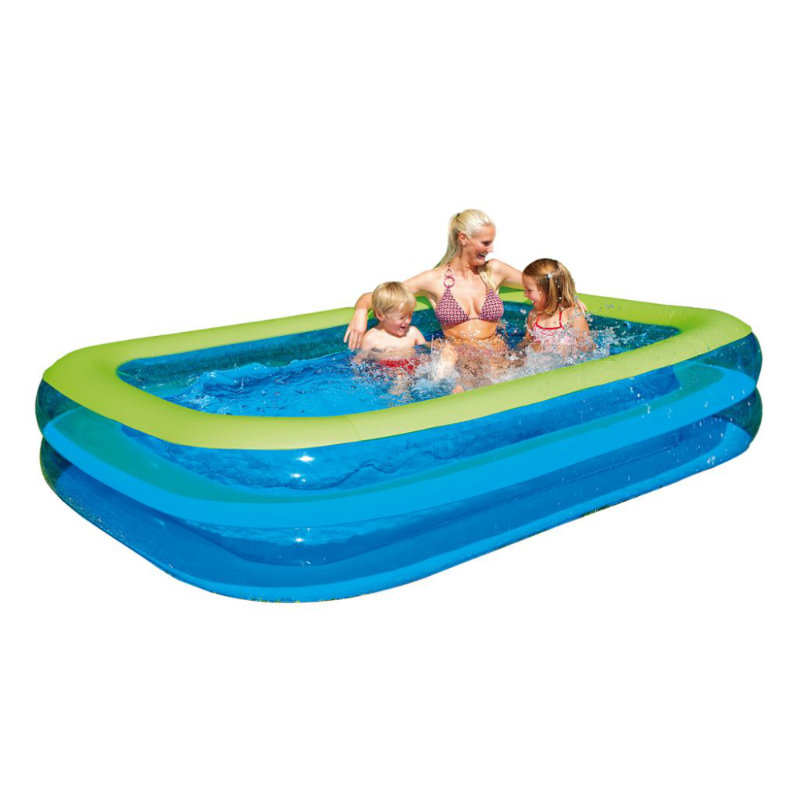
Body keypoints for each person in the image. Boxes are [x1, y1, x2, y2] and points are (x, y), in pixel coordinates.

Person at [344, 209, 524, 389]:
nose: (491, 249)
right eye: (485, 243)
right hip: (462, 361)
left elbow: (535, 284)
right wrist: (361, 310)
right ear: (463, 238)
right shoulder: (433, 280)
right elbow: (381, 297)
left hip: (499, 356)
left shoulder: (494, 271)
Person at [520, 259, 593, 356]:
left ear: (549, 292)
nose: (525, 294)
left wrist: (566, 348)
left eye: (529, 290)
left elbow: (588, 349)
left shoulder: (572, 315)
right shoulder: (533, 315)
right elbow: (525, 345)